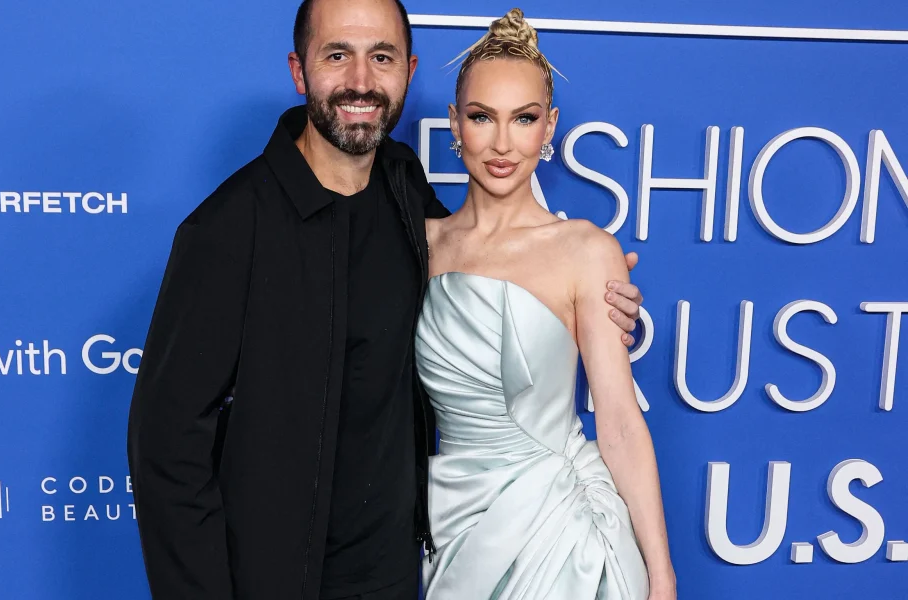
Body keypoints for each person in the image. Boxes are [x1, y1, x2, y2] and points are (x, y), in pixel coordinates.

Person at [126, 1, 645, 598]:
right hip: (276, 580)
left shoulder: (402, 182)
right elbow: (164, 447)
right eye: (337, 55)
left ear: (409, 70)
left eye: (382, 57)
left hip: (402, 570)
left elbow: (477, 271)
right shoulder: (227, 228)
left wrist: (588, 295)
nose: (361, 82)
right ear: (299, 71)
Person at [417, 8, 675, 600]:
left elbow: (618, 423)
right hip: (453, 527)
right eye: (482, 117)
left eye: (524, 118)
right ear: (455, 123)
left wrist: (661, 576)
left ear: (549, 125)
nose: (503, 143)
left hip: (565, 539)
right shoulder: (419, 245)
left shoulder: (586, 249)